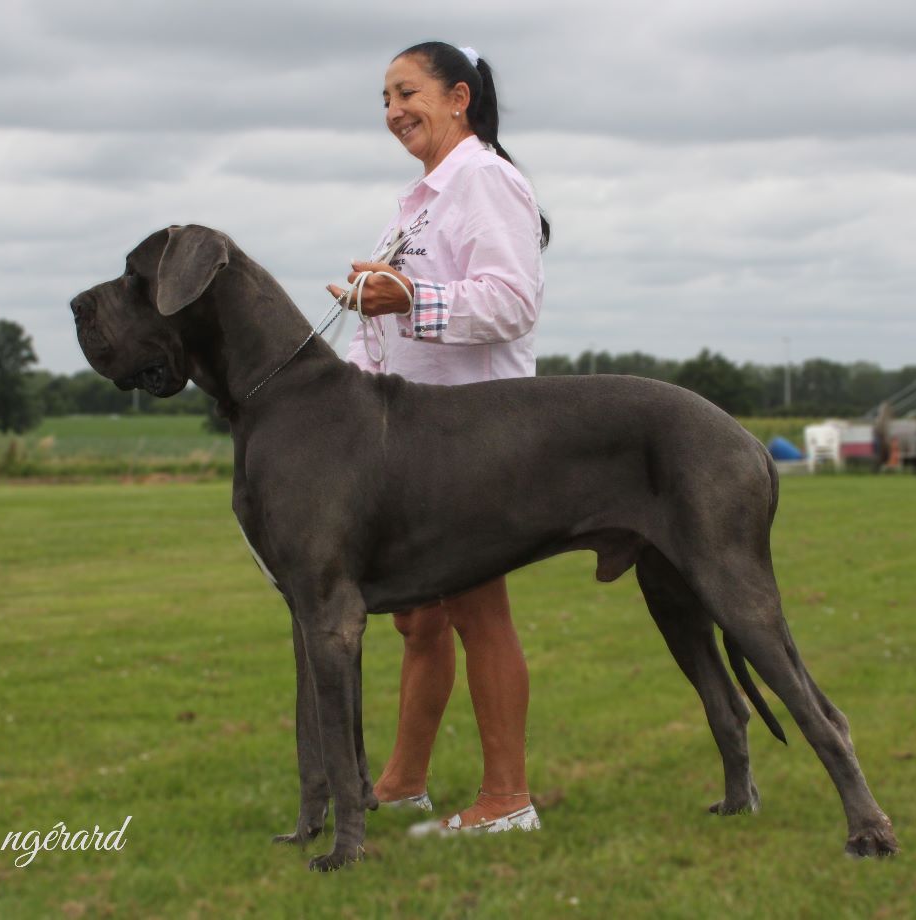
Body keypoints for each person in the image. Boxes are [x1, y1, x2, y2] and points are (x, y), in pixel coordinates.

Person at [327, 41, 549, 834]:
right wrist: (344, 391)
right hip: (411, 433)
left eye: (407, 92)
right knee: (419, 618)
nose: (393, 111)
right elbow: (388, 331)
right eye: (384, 98)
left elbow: (512, 302)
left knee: (475, 607)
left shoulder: (484, 180)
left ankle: (506, 801)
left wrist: (406, 296)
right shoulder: (417, 199)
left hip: (474, 431)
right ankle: (402, 782)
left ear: (460, 97)